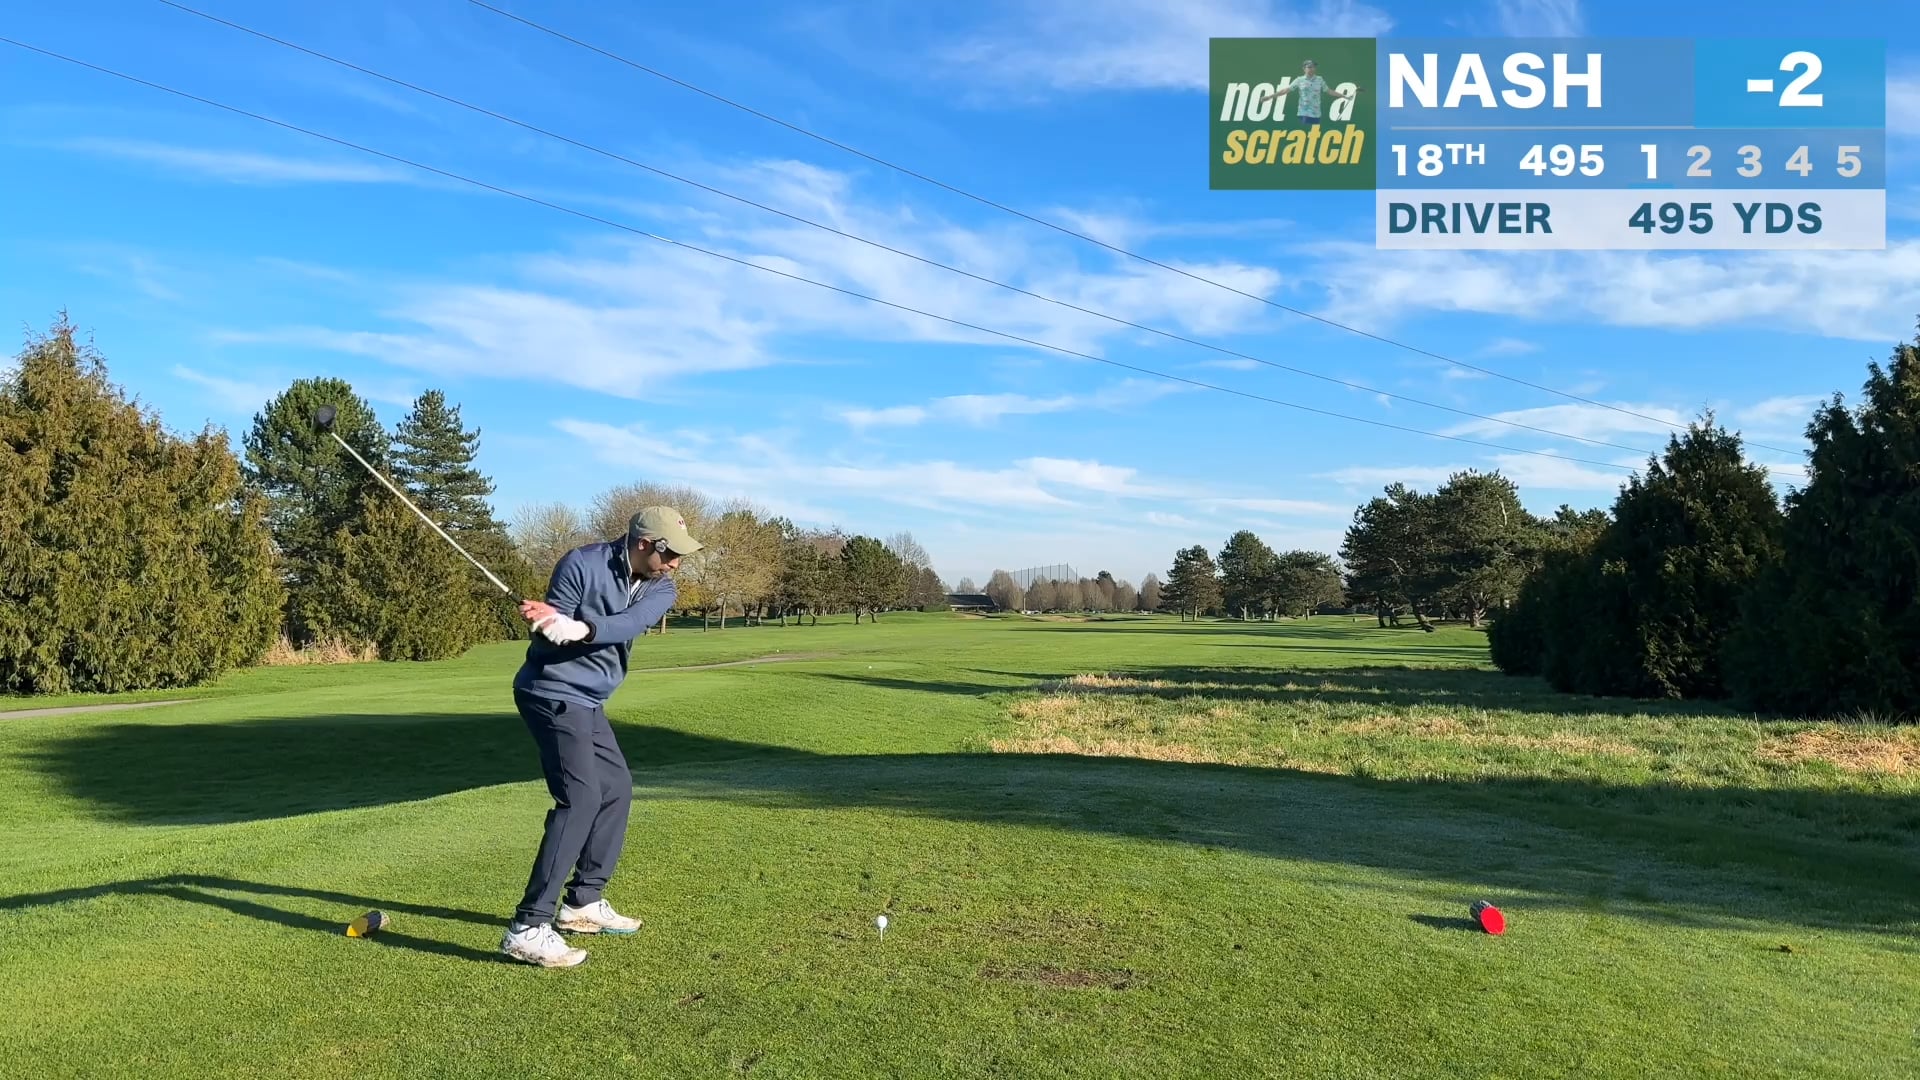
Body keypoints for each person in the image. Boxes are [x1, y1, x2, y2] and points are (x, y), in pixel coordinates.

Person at [497, 505, 702, 968]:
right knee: (581, 798)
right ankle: (528, 926)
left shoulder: (661, 586)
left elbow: (629, 623)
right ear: (645, 544)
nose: (676, 563)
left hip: (589, 699)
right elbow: (550, 639)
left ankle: (582, 902)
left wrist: (579, 628)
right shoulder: (580, 564)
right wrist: (550, 624)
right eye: (671, 553)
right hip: (550, 692)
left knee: (616, 788)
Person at [1290, 58, 1359, 127]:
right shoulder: (1299, 80)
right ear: (1304, 69)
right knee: (1305, 131)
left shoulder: (1319, 79)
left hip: (1316, 114)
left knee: (1314, 132)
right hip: (1304, 114)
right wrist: (1281, 93)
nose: (1312, 69)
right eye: (1309, 67)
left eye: (1313, 67)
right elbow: (1288, 89)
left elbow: (1329, 91)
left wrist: (1345, 96)